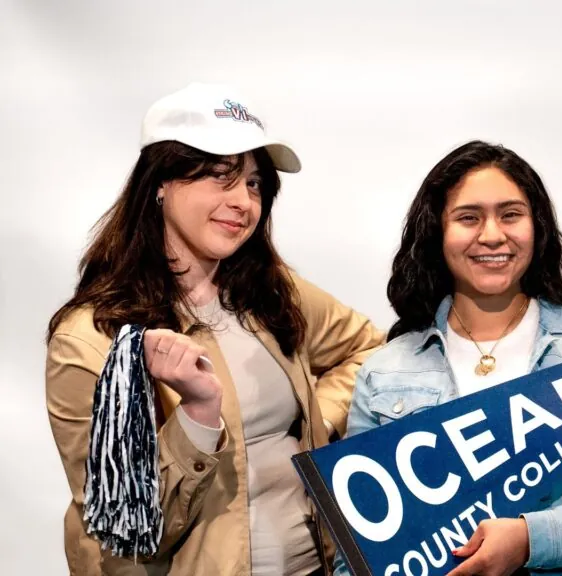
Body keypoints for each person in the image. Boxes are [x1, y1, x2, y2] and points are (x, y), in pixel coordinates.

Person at [45, 82, 386, 575]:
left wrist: (319, 418)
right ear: (160, 183)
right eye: (220, 177)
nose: (244, 202)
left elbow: (367, 349)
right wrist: (198, 416)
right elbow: (128, 530)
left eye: (253, 184)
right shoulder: (91, 339)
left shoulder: (269, 291)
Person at [332, 140, 562, 576]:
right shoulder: (385, 370)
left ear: (537, 226)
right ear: (437, 232)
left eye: (511, 214)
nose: (492, 234)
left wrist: (534, 538)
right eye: (468, 217)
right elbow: (357, 552)